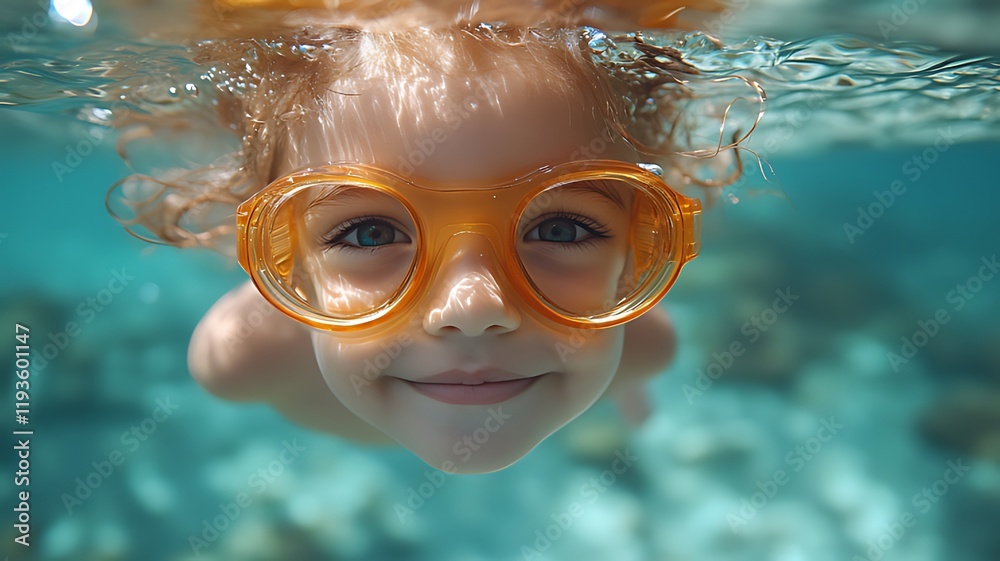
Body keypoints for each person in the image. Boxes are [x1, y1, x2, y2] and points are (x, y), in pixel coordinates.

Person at [111, 1, 755, 473]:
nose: (473, 309)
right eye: (369, 232)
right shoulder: (240, 361)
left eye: (560, 227)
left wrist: (621, 380)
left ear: (640, 249)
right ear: (286, 263)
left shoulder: (643, 348)